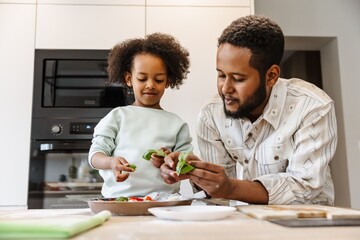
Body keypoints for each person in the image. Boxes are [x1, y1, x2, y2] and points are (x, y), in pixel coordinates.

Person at [160, 15, 337, 205]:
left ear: (271, 76)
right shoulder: (211, 115)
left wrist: (230, 187)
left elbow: (305, 187)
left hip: (308, 224)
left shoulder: (313, 107)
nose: (225, 88)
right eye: (221, 75)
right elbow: (218, 192)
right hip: (250, 221)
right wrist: (193, 170)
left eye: (238, 78)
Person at [89, 33, 193, 198]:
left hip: (164, 201)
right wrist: (111, 162)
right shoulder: (117, 116)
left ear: (168, 81)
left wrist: (170, 159)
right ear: (129, 79)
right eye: (142, 78)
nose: (150, 85)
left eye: (158, 80)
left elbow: (187, 160)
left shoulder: (176, 124)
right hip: (119, 199)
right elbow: (95, 156)